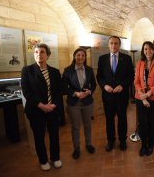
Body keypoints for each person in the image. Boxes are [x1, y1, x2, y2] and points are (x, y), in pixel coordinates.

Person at [21, 43, 63, 171]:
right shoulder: (27, 70)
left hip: (53, 109)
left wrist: (53, 105)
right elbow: (27, 92)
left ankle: (55, 158)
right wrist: (42, 106)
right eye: (36, 52)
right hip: (36, 110)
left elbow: (59, 91)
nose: (39, 54)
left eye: (42, 52)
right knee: (39, 136)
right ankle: (43, 160)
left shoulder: (55, 72)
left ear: (48, 55)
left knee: (54, 135)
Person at [96, 36, 134, 152]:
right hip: (108, 96)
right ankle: (110, 140)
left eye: (116, 43)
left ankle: (123, 140)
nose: (114, 45)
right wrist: (104, 86)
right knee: (109, 119)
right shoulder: (102, 59)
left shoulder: (126, 58)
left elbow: (131, 76)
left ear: (120, 45)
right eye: (111, 43)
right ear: (108, 44)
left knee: (122, 118)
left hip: (122, 96)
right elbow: (99, 76)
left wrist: (122, 86)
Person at [62, 48, 97, 159]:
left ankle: (88, 144)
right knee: (75, 127)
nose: (80, 57)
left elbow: (94, 85)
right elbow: (63, 88)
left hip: (87, 102)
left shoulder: (90, 70)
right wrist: (75, 93)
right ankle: (76, 148)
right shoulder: (68, 70)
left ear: (85, 57)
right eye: (78, 55)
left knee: (87, 124)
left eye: (83, 55)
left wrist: (89, 92)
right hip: (74, 103)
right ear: (74, 56)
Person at [134, 41, 154, 156]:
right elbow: (136, 81)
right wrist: (143, 97)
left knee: (152, 122)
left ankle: (151, 145)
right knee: (142, 122)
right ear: (143, 51)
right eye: (146, 49)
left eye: (150, 49)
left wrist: (148, 95)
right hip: (141, 98)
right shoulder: (139, 64)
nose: (148, 51)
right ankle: (143, 145)